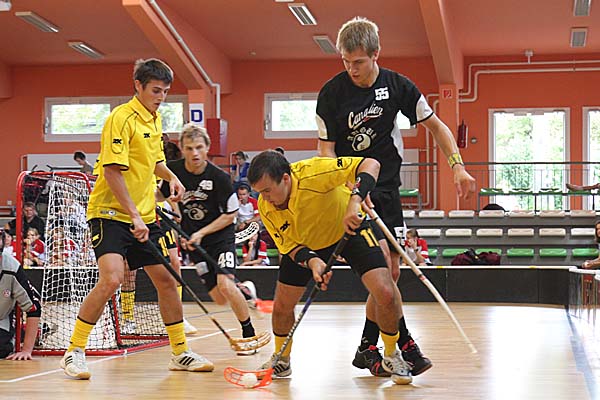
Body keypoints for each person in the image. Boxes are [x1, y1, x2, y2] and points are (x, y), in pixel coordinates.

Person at [316, 16, 477, 377]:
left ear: (376, 54)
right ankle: (404, 345)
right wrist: (348, 191)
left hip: (387, 192)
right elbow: (325, 151)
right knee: (383, 276)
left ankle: (367, 346)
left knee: (392, 272)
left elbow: (437, 126)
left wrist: (457, 166)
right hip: (353, 193)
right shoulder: (331, 93)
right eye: (346, 61)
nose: (351, 69)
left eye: (358, 61)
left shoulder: (397, 86)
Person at [60, 58, 213, 380]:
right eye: (156, 90)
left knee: (168, 280)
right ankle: (74, 350)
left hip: (144, 215)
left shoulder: (154, 120)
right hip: (110, 214)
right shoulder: (120, 118)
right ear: (138, 86)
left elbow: (155, 161)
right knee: (112, 279)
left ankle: (180, 352)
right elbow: (112, 171)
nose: (161, 97)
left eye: (166, 91)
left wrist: (172, 176)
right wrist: (133, 216)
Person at [248, 150, 413, 385]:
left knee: (385, 292)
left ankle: (391, 354)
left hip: (348, 229)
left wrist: (355, 201)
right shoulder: (266, 206)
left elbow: (371, 163)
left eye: (267, 190)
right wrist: (313, 261)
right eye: (259, 192)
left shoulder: (314, 172)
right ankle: (282, 359)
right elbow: (290, 246)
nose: (263, 198)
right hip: (305, 243)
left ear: (285, 178)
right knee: (282, 307)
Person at [158, 123, 259, 354]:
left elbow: (231, 214)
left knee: (225, 285)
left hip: (220, 239)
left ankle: (249, 335)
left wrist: (201, 233)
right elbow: (160, 195)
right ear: (182, 149)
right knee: (219, 298)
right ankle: (244, 290)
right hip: (194, 243)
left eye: (199, 148)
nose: (194, 153)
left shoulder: (219, 178)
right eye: (189, 148)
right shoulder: (173, 171)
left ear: (207, 148)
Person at [0, 230, 42, 361]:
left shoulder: (12, 268)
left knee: (2, 349)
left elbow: (33, 308)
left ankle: (28, 334)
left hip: (1, 320)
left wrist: (26, 350)